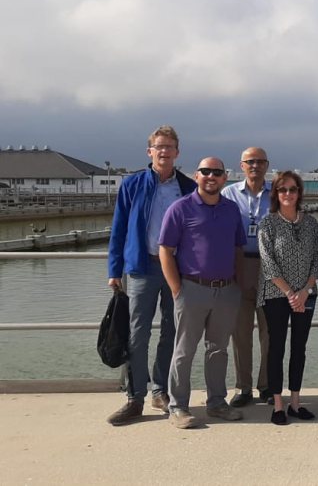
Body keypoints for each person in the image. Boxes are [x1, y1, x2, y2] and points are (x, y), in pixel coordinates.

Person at [106, 125, 196, 426]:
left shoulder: (187, 187)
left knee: (172, 330)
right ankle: (135, 397)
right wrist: (114, 270)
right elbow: (118, 229)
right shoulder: (132, 185)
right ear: (150, 151)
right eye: (159, 146)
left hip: (176, 268)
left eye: (170, 146)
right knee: (137, 333)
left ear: (177, 152)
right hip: (141, 266)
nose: (164, 151)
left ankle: (161, 391)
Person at [159, 157, 246, 429]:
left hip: (226, 290)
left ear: (224, 178)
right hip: (192, 289)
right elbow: (165, 250)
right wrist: (176, 288)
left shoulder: (231, 210)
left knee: (218, 350)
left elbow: (238, 249)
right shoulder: (180, 209)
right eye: (205, 171)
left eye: (217, 172)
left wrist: (238, 284)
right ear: (196, 176)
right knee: (184, 351)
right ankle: (178, 407)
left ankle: (217, 403)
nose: (211, 176)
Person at [257, 171, 318, 425]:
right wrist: (289, 293)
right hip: (276, 295)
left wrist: (304, 291)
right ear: (276, 193)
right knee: (277, 348)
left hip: (306, 294)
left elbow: (316, 263)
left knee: (299, 348)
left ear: (299, 193)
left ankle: (296, 402)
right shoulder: (268, 224)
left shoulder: (310, 224)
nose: (288, 194)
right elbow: (268, 263)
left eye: (293, 189)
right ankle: (277, 404)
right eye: (283, 189)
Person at [221, 147, 272, 408]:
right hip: (239, 265)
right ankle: (243, 387)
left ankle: (267, 386)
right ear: (241, 165)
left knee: (269, 332)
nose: (255, 166)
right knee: (240, 332)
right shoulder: (228, 194)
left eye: (260, 162)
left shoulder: (278, 193)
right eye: (250, 162)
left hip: (271, 268)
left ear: (267, 165)